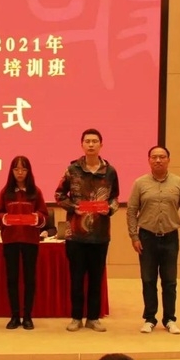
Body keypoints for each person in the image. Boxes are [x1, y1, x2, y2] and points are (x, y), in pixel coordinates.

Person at [55, 128, 119, 332]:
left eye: (95, 141)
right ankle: (76, 317)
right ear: (82, 145)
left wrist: (109, 209)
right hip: (76, 235)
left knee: (96, 278)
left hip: (100, 235)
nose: (91, 144)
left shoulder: (110, 171)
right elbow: (59, 195)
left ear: (101, 145)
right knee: (76, 278)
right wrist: (74, 208)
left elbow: (115, 198)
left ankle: (93, 318)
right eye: (87, 141)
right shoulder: (72, 170)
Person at [126, 146, 180, 335]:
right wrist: (134, 236)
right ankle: (149, 318)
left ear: (168, 160)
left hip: (170, 237)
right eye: (154, 157)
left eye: (162, 157)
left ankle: (170, 319)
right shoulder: (140, 183)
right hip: (146, 237)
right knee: (148, 280)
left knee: (169, 281)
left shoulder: (179, 183)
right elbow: (131, 211)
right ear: (149, 160)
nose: (158, 160)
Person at [0, 156, 48, 330]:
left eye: (23, 169)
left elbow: (44, 214)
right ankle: (15, 316)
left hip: (30, 241)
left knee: (29, 279)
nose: (20, 173)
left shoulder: (36, 192)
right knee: (12, 279)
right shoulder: (5, 192)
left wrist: (37, 217)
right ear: (11, 171)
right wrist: (4, 218)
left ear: (28, 171)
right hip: (10, 240)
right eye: (16, 169)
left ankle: (28, 316)